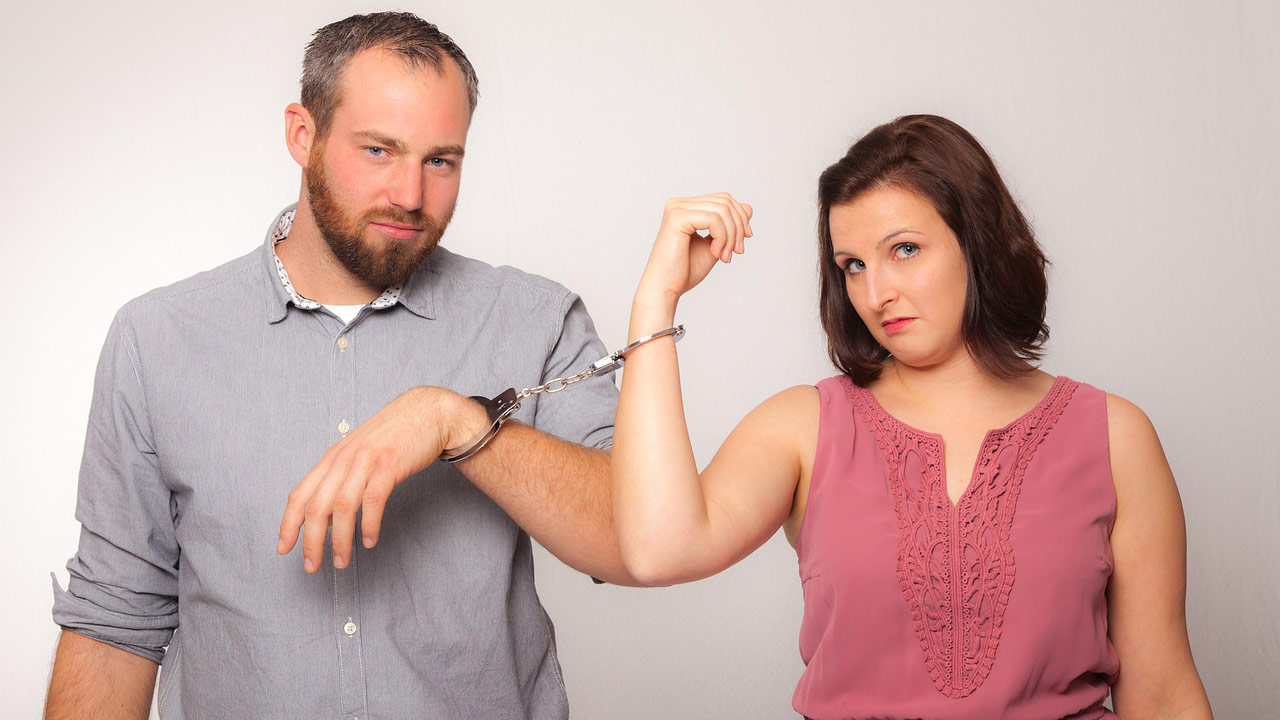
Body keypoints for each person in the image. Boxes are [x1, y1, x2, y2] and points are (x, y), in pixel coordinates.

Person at [46, 12, 637, 720]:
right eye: (379, 151)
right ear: (303, 134)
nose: (411, 196)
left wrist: (457, 422)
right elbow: (115, 623)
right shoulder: (157, 340)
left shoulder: (535, 319)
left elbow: (630, 536)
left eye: (440, 160)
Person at [611, 115, 1214, 718]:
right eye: (853, 265)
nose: (876, 294)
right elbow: (659, 550)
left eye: (904, 249)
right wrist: (654, 300)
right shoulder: (804, 427)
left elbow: (1162, 694)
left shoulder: (1113, 435)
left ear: (976, 241)